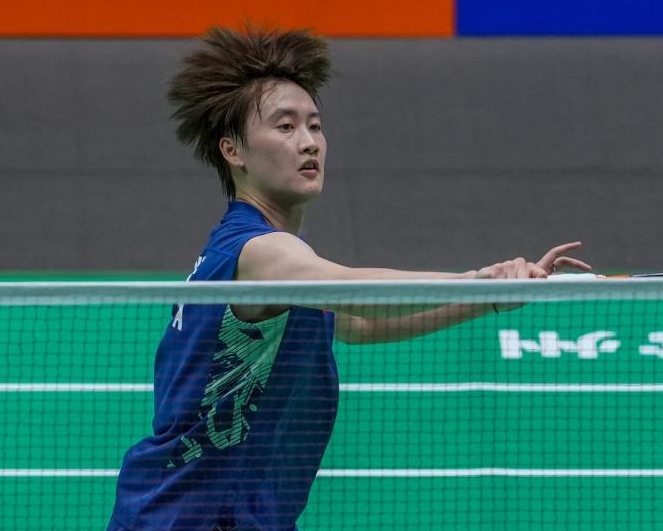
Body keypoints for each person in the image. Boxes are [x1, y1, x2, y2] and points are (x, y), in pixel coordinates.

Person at [107, 24, 590, 531]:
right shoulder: (262, 252)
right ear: (234, 151)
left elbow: (359, 323)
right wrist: (480, 280)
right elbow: (359, 292)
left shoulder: (252, 253)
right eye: (285, 127)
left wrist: (487, 300)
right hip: (192, 517)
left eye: (314, 126)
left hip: (225, 513)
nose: (308, 143)